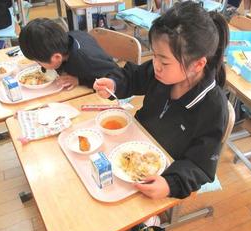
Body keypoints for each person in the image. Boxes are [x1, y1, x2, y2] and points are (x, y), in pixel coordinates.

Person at [94, 1, 229, 199]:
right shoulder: (164, 73)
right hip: (133, 144)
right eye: (155, 55)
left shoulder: (213, 107)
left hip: (163, 173)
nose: (155, 65)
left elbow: (200, 166)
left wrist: (169, 184)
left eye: (163, 61)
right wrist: (115, 84)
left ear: (198, 64)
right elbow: (134, 77)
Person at [19, 18, 122, 89]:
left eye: (39, 63)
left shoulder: (86, 60)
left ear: (57, 57)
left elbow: (117, 79)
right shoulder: (66, 38)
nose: (39, 66)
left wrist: (79, 81)